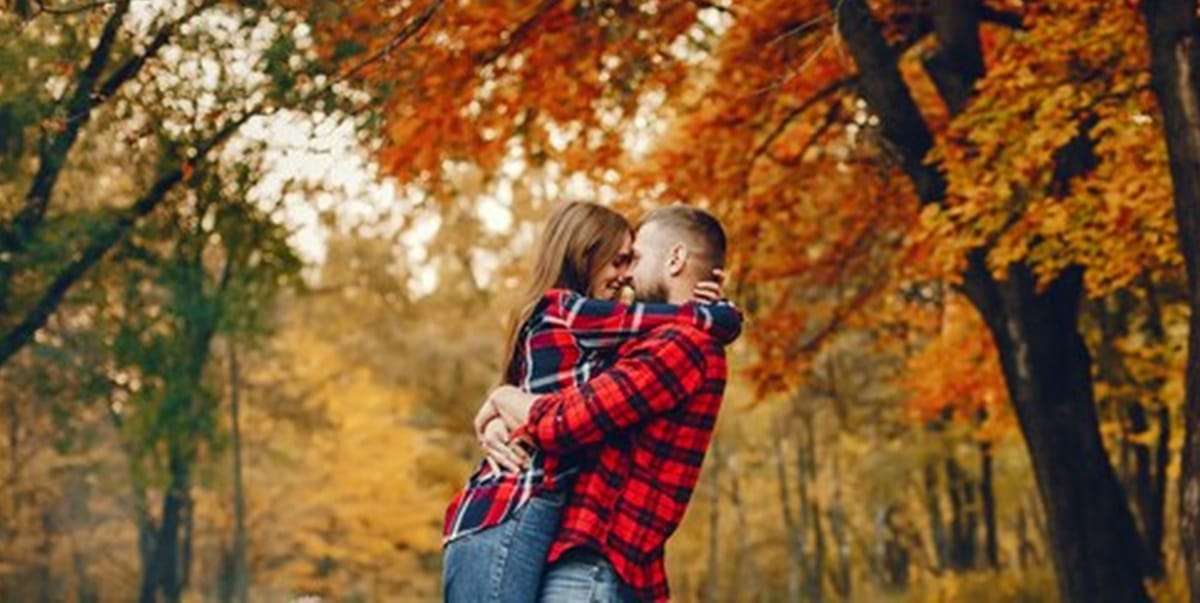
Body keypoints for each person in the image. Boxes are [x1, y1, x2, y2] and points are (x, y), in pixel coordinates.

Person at [441, 201, 742, 603]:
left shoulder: (682, 345)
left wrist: (504, 398)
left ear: (675, 258)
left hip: (595, 566)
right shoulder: (634, 338)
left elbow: (561, 423)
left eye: (633, 257)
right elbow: (565, 393)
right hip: (569, 555)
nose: (628, 274)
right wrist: (501, 411)